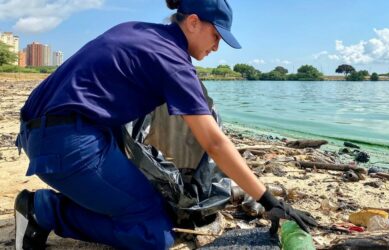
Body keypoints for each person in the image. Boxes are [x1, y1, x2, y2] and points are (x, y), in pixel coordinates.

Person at [14, 0, 317, 249]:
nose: (217, 47)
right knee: (155, 233)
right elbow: (213, 142)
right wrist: (268, 200)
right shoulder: (172, 59)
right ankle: (42, 210)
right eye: (217, 35)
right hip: (67, 145)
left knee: (148, 204)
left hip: (40, 133)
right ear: (194, 22)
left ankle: (76, 200)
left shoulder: (137, 30)